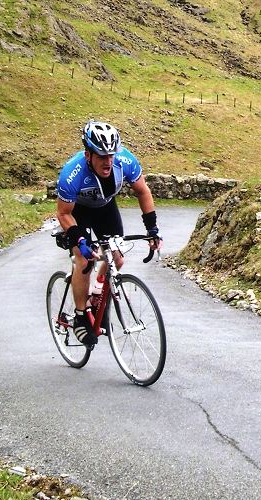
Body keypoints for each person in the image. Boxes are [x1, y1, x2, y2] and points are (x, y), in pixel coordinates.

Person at [56, 120, 162, 347]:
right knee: (84, 260)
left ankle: (97, 291)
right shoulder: (72, 173)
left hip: (105, 207)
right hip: (78, 213)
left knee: (117, 257)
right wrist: (80, 240)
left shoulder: (125, 161)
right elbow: (63, 213)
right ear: (88, 155)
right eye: (102, 156)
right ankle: (81, 315)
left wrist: (152, 229)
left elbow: (143, 191)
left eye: (111, 155)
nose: (108, 161)